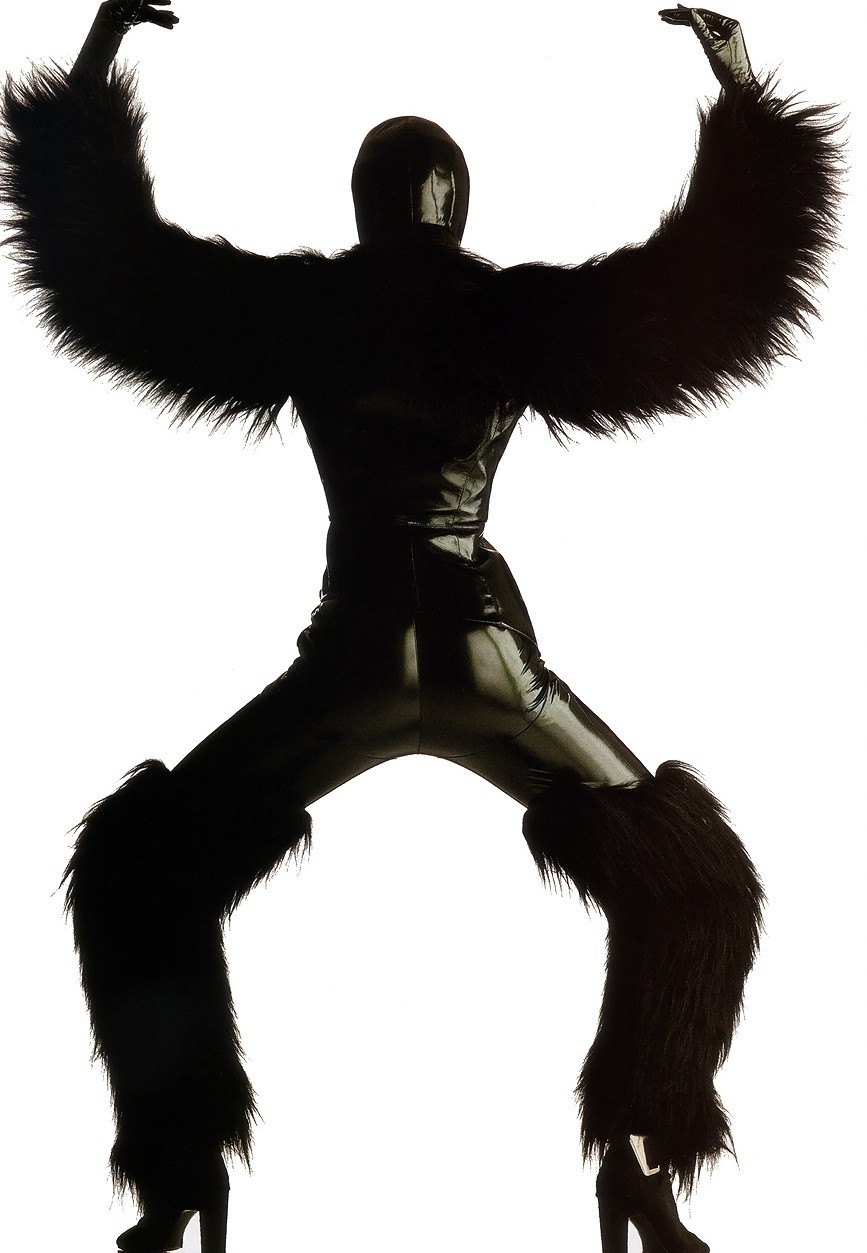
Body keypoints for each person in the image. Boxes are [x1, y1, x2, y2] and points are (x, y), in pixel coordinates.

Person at [0, 3, 840, 1250]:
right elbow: (705, 295)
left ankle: (180, 1182)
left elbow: (115, 272)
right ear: (458, 207)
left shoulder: (297, 313)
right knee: (693, 879)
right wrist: (745, 100)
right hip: (484, 651)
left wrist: (93, 68)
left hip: (352, 657)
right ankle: (640, 1159)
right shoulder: (514, 320)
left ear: (362, 208)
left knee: (139, 868)